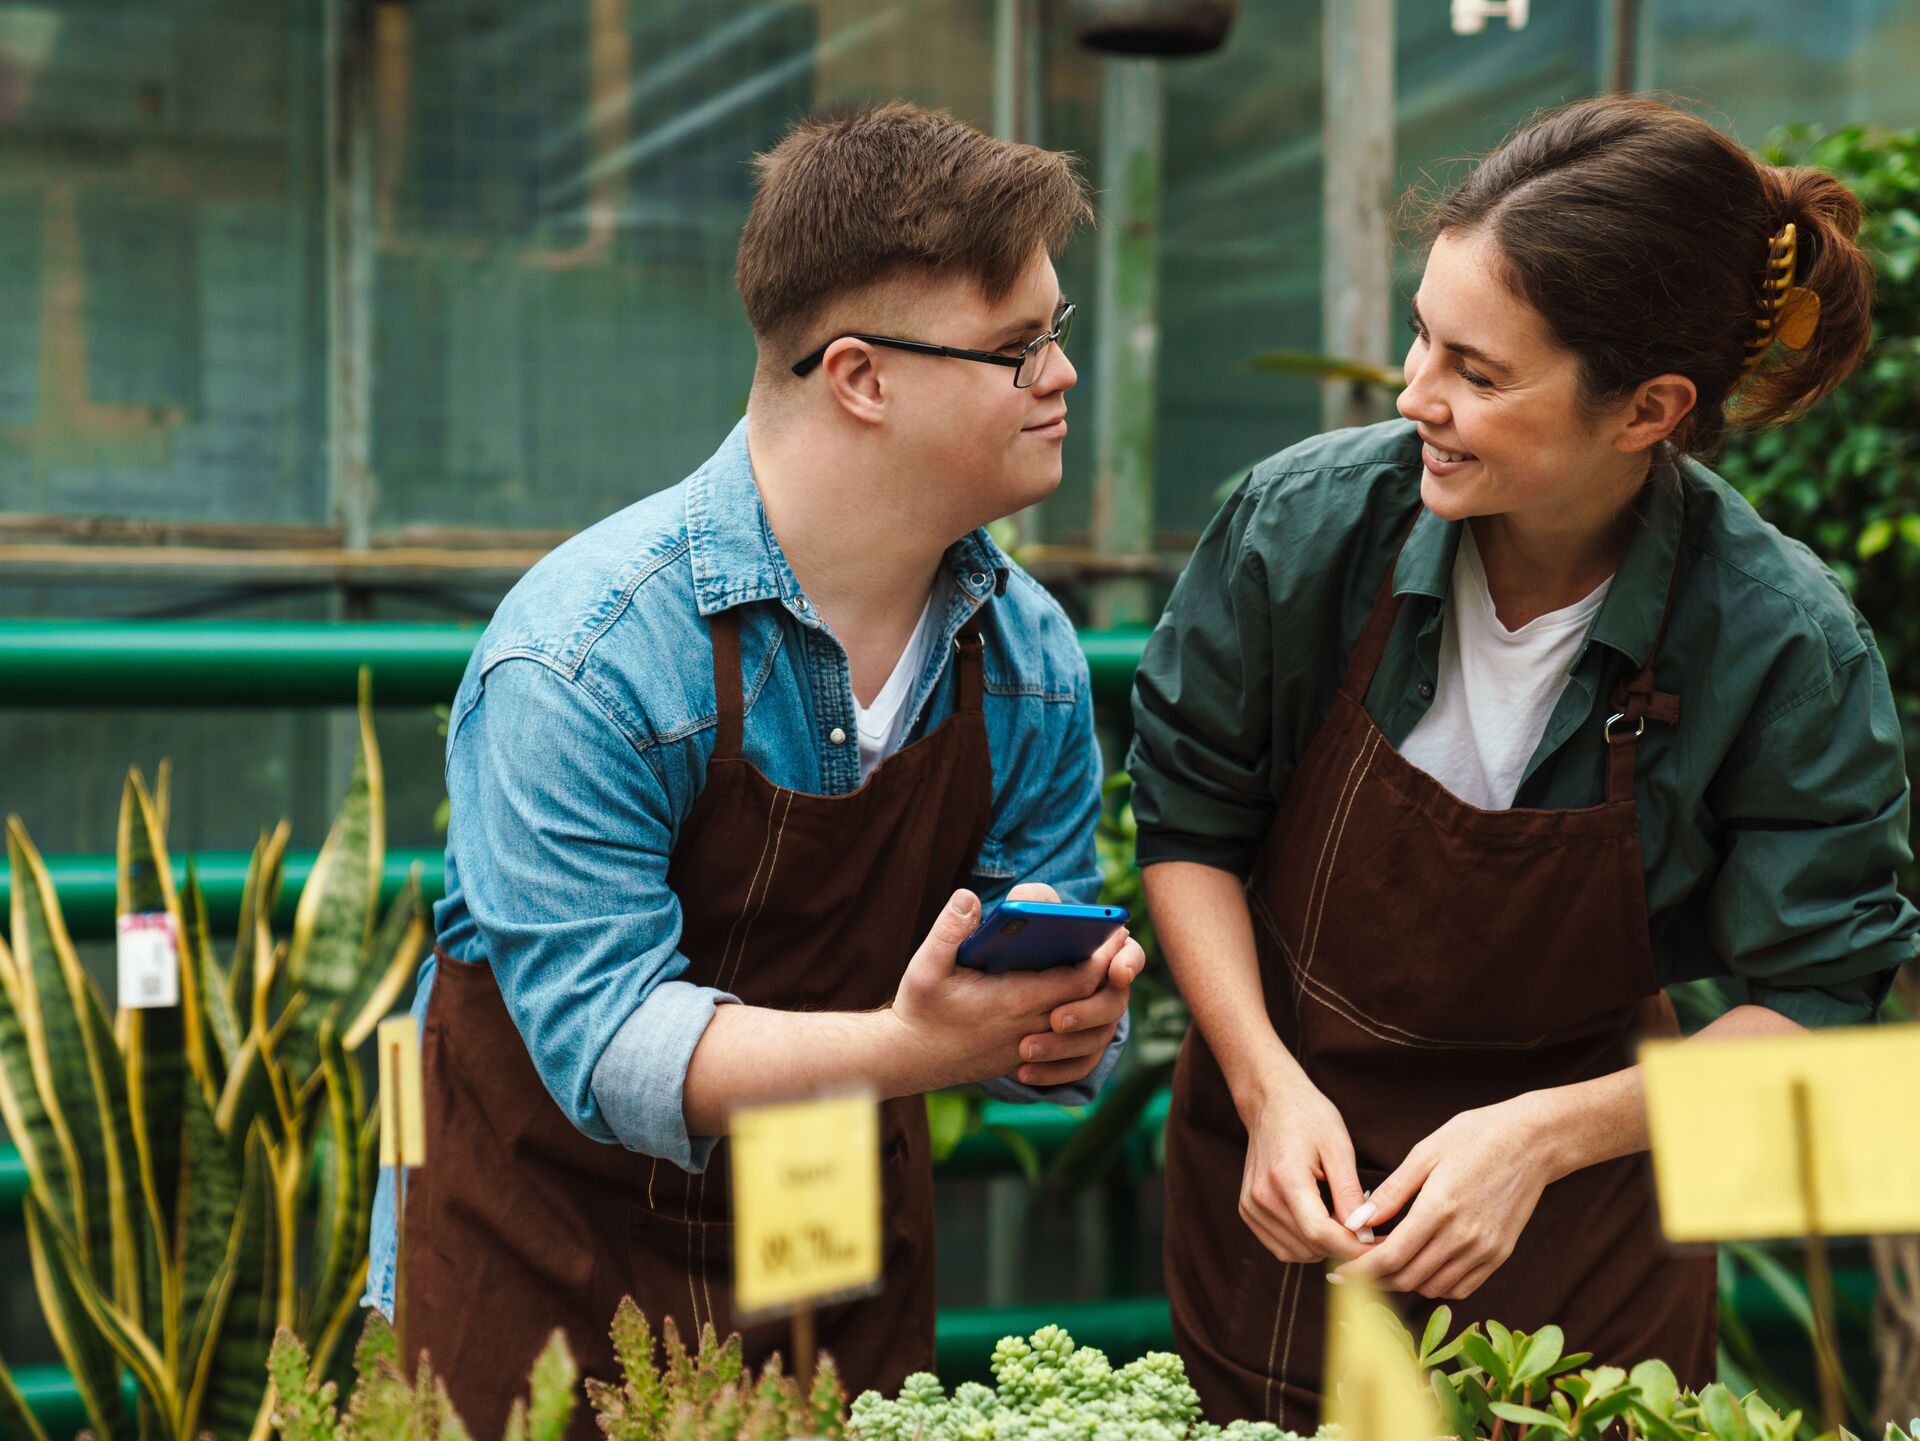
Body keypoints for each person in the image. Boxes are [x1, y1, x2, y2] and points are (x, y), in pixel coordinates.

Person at [1129, 95, 1915, 1430]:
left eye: (1477, 373)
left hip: (1587, 1249)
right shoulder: (1304, 530)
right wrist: (1265, 1082)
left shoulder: (1779, 638)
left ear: (1649, 409)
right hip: (1286, 1201)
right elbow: (1191, 823)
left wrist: (1540, 1137)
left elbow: (1822, 999)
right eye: (1423, 335)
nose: (1413, 392)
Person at [363, 102, 1145, 1437]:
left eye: (1057, 333)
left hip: (821, 1229)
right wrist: (916, 1043)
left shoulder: (1028, 658)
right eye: (1019, 347)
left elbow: (1038, 1022)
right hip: (538, 1233)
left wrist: (1062, 1029)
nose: (1062, 375)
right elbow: (610, 1044)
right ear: (859, 376)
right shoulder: (584, 655)